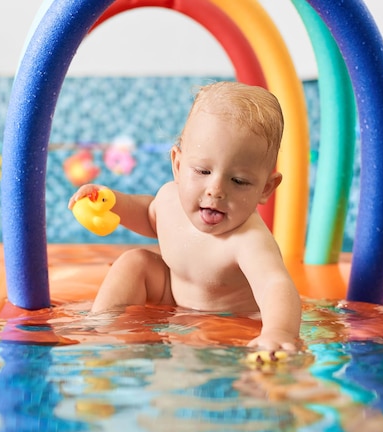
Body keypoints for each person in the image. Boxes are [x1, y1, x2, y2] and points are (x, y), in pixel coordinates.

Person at [68, 81, 301, 352]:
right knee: (135, 262)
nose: (216, 190)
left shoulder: (248, 240)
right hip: (172, 298)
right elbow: (146, 213)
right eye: (202, 171)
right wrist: (110, 201)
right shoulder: (169, 200)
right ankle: (103, 327)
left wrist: (278, 332)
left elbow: (275, 285)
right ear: (178, 165)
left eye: (238, 181)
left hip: (229, 325)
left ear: (266, 188)